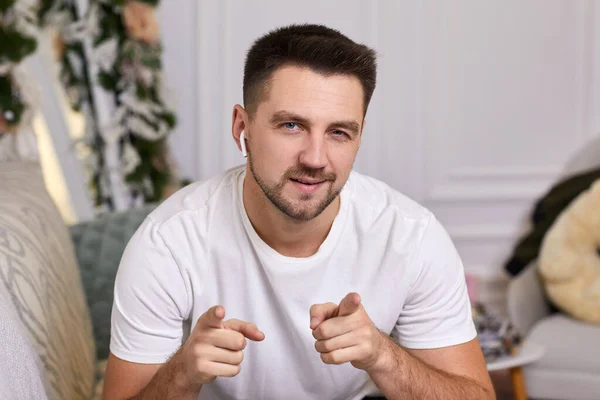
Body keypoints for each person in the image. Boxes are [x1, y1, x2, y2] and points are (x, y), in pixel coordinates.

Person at [102, 24, 495, 400]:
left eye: (339, 132)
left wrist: (382, 355)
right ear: (243, 127)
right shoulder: (168, 242)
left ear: (359, 137)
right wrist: (182, 373)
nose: (315, 158)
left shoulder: (411, 238)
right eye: (291, 125)